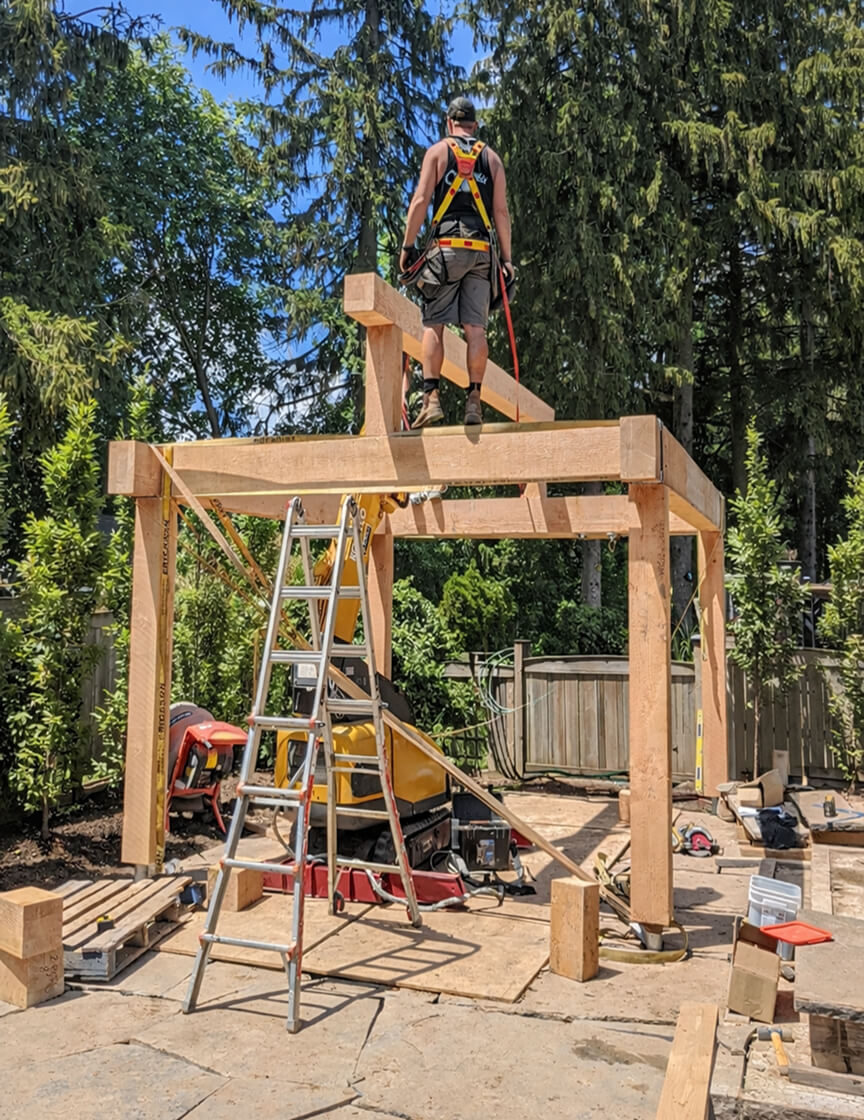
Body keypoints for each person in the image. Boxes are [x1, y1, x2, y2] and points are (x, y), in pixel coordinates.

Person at [400, 96, 514, 427]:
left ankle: (431, 398)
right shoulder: (492, 160)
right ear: (474, 126)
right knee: (475, 329)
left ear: (449, 123)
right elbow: (501, 212)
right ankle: (474, 401)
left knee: (434, 323)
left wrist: (408, 247)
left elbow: (421, 200)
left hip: (446, 248)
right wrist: (507, 260)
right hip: (481, 252)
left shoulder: (438, 152)